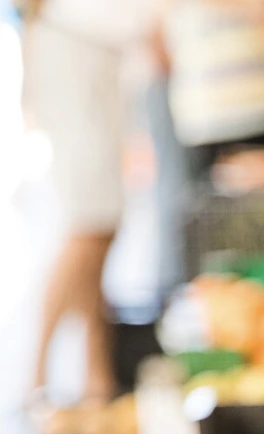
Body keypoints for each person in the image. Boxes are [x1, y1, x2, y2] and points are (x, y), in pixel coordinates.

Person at [20, 0, 160, 403]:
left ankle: (94, 372)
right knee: (90, 219)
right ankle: (37, 377)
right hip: (78, 43)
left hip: (99, 50)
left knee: (103, 223)